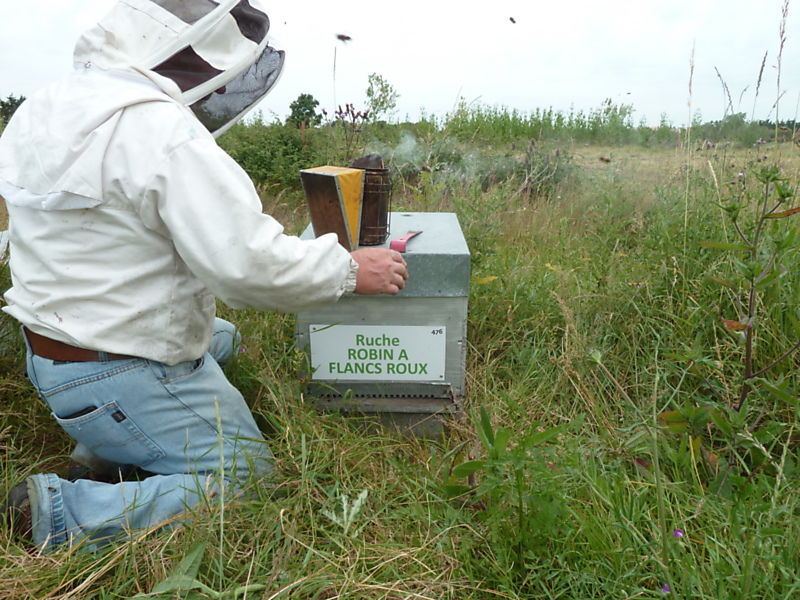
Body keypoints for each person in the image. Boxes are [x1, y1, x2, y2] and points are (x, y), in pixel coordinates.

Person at [0, 0, 407, 552]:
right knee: (250, 482)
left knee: (223, 339)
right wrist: (348, 270)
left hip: (51, 356)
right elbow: (246, 268)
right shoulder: (157, 129)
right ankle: (61, 513)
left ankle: (106, 451)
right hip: (118, 370)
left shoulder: (45, 109)